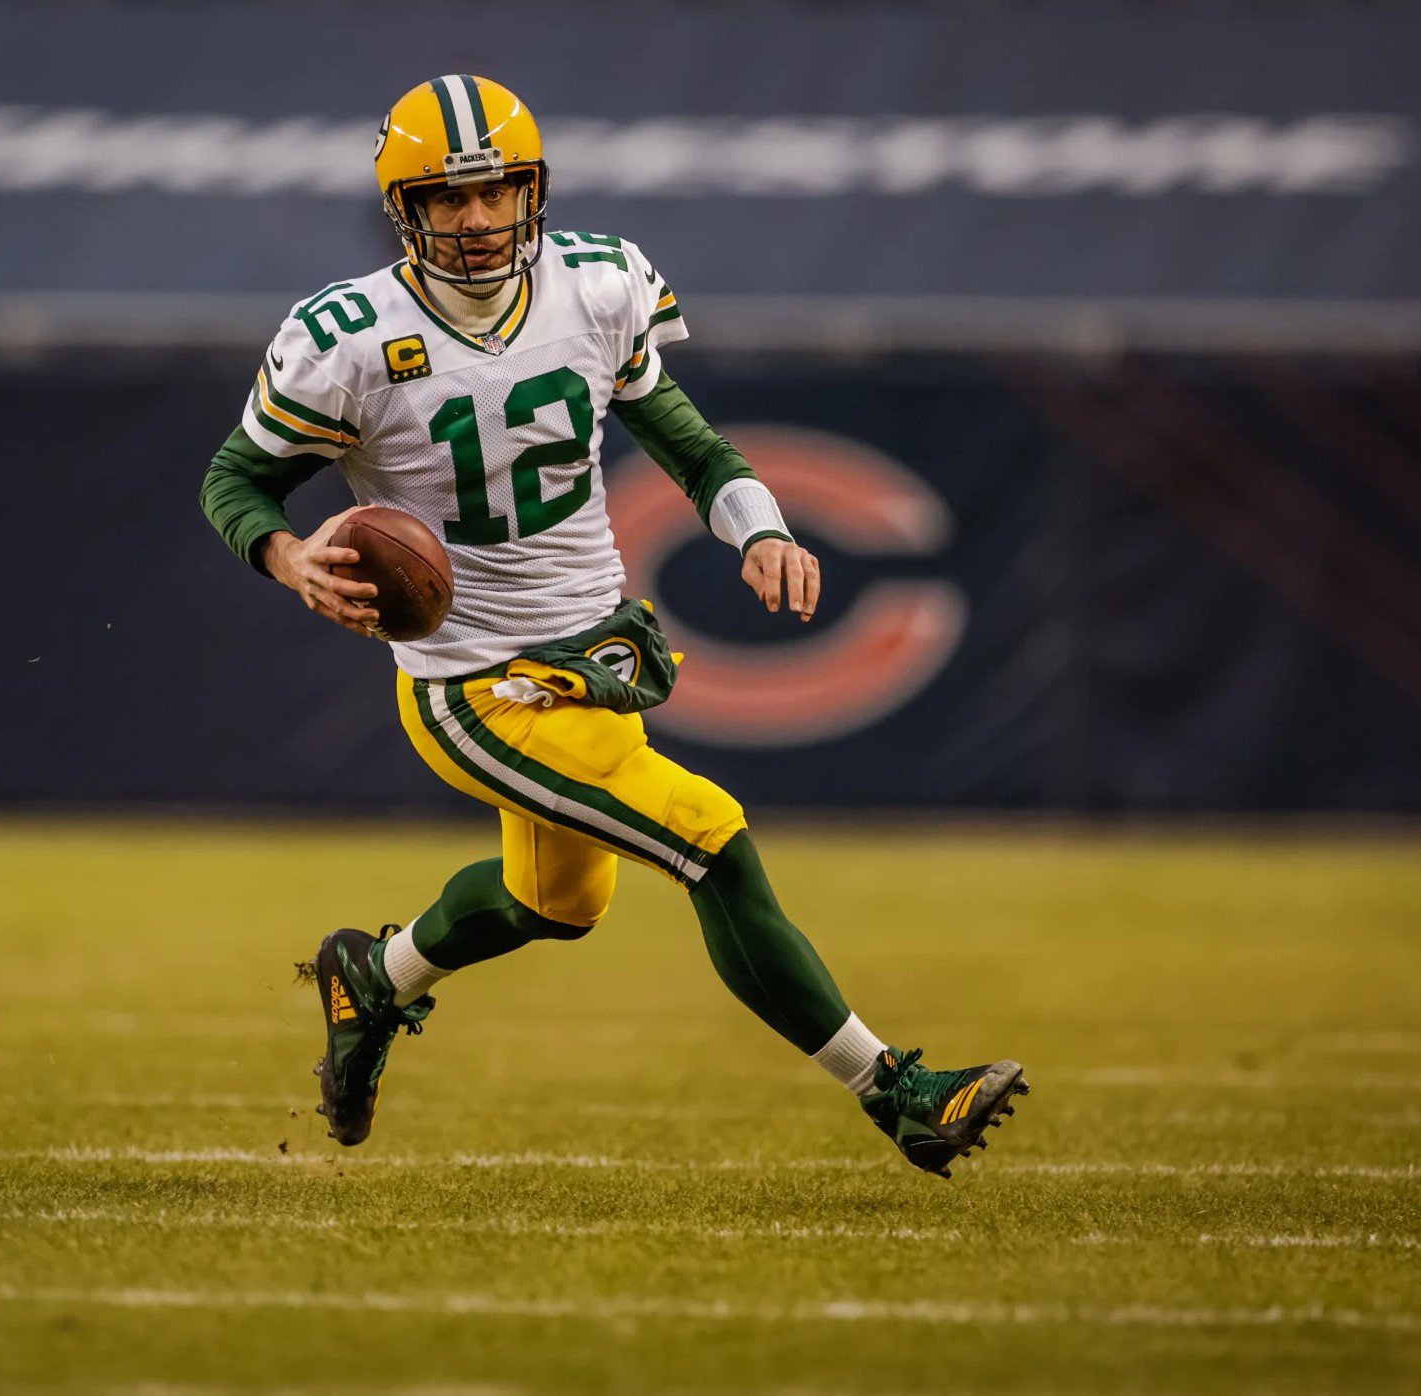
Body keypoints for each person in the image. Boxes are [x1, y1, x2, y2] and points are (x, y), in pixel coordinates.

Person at [199, 75, 1026, 1175]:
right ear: (404, 210)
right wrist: (288, 552)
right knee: (709, 836)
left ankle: (373, 975)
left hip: (591, 659)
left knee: (557, 899)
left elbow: (689, 443)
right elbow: (235, 477)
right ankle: (899, 1094)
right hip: (474, 682)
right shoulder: (347, 335)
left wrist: (760, 529)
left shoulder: (595, 285)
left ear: (533, 188)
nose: (479, 219)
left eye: (498, 191)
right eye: (447, 201)